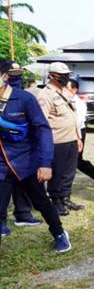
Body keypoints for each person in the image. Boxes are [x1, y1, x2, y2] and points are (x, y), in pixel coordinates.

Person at [0, 60, 71, 252]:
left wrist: (45, 163)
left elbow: (42, 130)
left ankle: (59, 234)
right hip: (2, 166)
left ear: (4, 77)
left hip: (26, 162)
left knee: (41, 203)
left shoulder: (24, 99)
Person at [36, 62, 84, 216]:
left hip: (71, 139)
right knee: (57, 173)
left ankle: (65, 198)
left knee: (69, 172)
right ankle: (56, 201)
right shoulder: (45, 95)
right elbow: (42, 122)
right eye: (61, 75)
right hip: (57, 141)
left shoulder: (65, 92)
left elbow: (73, 116)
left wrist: (78, 137)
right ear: (51, 75)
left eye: (66, 75)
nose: (65, 77)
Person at [0, 62, 40, 230]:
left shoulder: (24, 96)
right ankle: (1, 221)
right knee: (3, 185)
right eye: (13, 73)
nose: (16, 77)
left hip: (22, 146)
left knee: (22, 180)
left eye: (19, 73)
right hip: (4, 147)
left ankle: (23, 214)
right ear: (6, 75)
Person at [66, 79, 94, 185]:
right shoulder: (63, 100)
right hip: (66, 132)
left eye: (67, 88)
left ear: (74, 90)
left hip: (77, 131)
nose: (64, 90)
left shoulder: (79, 103)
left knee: (76, 159)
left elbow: (79, 121)